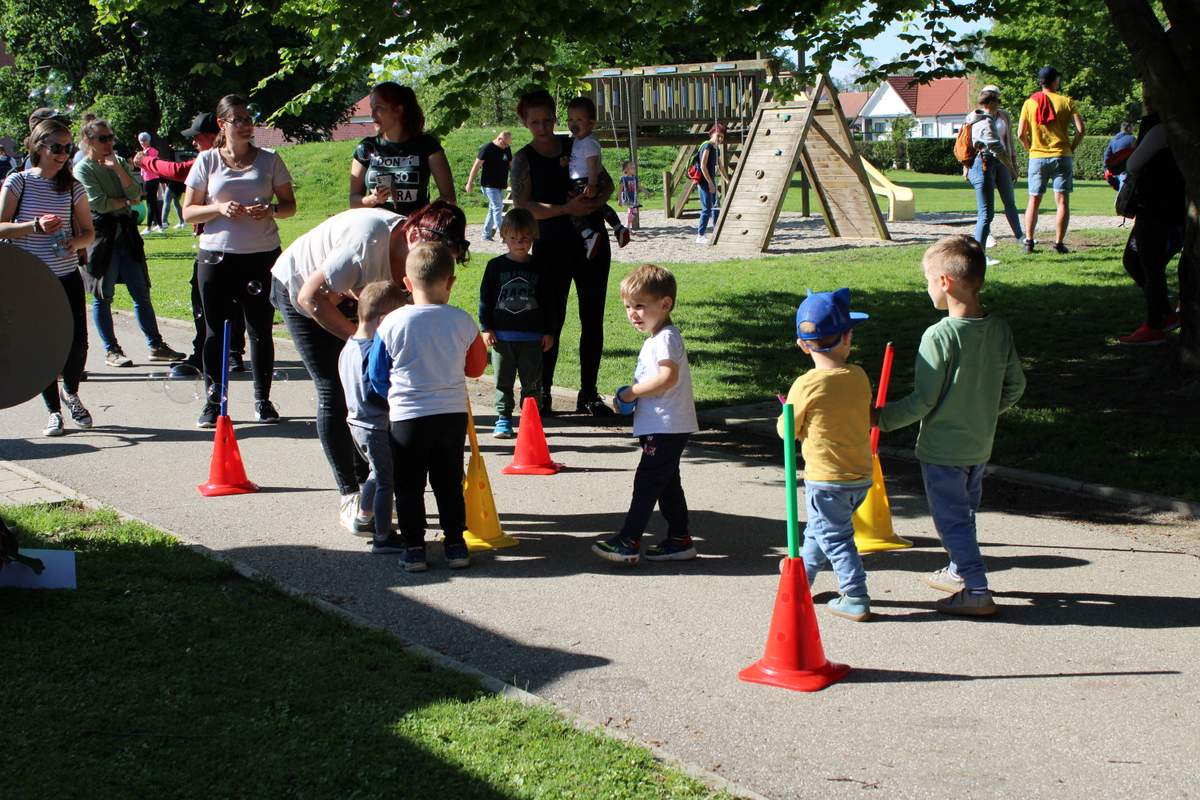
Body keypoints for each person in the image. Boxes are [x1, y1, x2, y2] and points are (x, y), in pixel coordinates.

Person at [271, 201, 470, 532]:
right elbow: (312, 297)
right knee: (336, 388)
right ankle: (350, 492)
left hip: (353, 295)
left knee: (383, 386)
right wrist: (361, 344)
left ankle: (377, 482)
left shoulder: (420, 259)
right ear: (415, 234)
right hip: (303, 290)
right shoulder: (367, 242)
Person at [877, 236, 1026, 617]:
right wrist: (985, 412)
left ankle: (976, 588)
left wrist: (879, 418)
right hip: (979, 444)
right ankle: (959, 568)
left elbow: (923, 400)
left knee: (951, 520)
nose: (927, 286)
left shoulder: (938, 336)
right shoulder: (999, 329)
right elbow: (1016, 386)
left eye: (928, 279)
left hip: (943, 450)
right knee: (964, 512)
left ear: (945, 281)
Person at [367, 242, 488, 572]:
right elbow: (477, 368)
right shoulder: (462, 321)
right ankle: (455, 545)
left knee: (408, 486)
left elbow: (376, 376)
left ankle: (415, 548)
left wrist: (393, 397)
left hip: (407, 417)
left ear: (406, 283)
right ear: (450, 282)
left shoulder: (391, 323)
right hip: (450, 416)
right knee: (448, 482)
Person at [183, 94, 296, 428]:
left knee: (260, 329)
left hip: (261, 255)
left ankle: (263, 400)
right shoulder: (207, 161)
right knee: (214, 330)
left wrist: (271, 209)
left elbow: (290, 205)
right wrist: (218, 208)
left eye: (250, 119)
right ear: (223, 124)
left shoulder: (270, 160)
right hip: (217, 256)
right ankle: (214, 401)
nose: (247, 125)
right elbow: (189, 211)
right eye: (239, 120)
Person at [510, 89, 615, 418]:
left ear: (557, 117)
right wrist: (565, 208)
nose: (543, 127)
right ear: (525, 122)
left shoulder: (577, 143)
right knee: (551, 322)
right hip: (551, 246)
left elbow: (607, 182)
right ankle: (544, 392)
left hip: (590, 244)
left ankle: (589, 392)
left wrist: (592, 201)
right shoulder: (523, 158)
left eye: (548, 120)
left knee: (592, 318)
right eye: (535, 122)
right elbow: (523, 206)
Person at [776, 288, 874, 621]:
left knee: (836, 536)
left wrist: (795, 425)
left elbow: (786, 429)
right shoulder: (859, 376)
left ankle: (855, 594)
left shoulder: (806, 385)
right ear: (848, 337)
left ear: (803, 344)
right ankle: (804, 577)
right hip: (860, 475)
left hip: (827, 478)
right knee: (819, 529)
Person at [593, 265, 699, 565]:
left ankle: (628, 540)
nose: (633, 313)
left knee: (647, 483)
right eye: (628, 306)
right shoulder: (656, 338)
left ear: (665, 304)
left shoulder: (665, 338)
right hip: (663, 425)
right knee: (666, 484)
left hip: (666, 426)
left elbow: (668, 378)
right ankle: (680, 540)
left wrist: (632, 393)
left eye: (640, 306)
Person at [132, 111, 246, 379]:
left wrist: (147, 161)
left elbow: (177, 171)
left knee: (205, 299)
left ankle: (208, 355)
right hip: (228, 242)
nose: (194, 144)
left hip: (219, 244)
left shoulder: (212, 160)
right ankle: (231, 354)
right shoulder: (226, 158)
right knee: (229, 300)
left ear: (210, 136)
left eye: (196, 138)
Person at [0, 118, 95, 437]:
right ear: (38, 147)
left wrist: (74, 242)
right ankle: (54, 412)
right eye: (57, 147)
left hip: (66, 274)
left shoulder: (73, 187)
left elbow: (88, 232)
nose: (64, 154)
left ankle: (71, 392)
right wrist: (34, 226)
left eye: (68, 148)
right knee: (43, 348)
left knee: (77, 342)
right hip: (32, 280)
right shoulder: (19, 183)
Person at [74, 118, 185, 368]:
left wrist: (118, 170)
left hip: (127, 236)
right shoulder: (83, 169)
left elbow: (137, 194)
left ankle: (156, 346)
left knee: (141, 293)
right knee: (103, 297)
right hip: (101, 238)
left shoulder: (119, 162)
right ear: (89, 141)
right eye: (103, 138)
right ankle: (112, 350)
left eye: (111, 137)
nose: (110, 142)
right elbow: (99, 203)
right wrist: (125, 201)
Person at [338, 280, 410, 552]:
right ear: (383, 322)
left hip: (356, 423)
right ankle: (383, 536)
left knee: (375, 473)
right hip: (377, 425)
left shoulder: (348, 347)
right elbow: (377, 390)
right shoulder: (373, 353)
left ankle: (363, 516)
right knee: (385, 481)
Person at [478, 208, 555, 438]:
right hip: (502, 337)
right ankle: (503, 418)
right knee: (503, 380)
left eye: (524, 238)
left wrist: (549, 331)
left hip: (532, 337)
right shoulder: (495, 267)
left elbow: (550, 302)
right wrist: (486, 327)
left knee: (532, 383)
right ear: (503, 237)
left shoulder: (541, 266)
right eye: (513, 238)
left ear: (533, 236)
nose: (520, 243)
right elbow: (485, 299)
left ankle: (531, 421)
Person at [1117, 93, 1186, 346]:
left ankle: (1155, 321)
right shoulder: (1174, 126)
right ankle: (1164, 313)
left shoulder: (1159, 129)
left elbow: (1134, 164)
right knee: (1141, 262)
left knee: (1147, 264)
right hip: (1165, 207)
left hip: (1156, 208)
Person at [349, 82, 456, 217]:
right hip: (376, 231)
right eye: (372, 108)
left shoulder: (427, 146)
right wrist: (373, 199)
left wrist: (418, 219)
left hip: (413, 232)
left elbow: (449, 198)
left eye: (378, 108)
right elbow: (353, 201)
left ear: (398, 110)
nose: (372, 115)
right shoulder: (365, 147)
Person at [1017, 66, 1085, 254]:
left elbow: (1020, 133)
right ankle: (1058, 243)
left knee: (1034, 200)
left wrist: (1029, 147)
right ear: (1055, 81)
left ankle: (1029, 242)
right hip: (1062, 156)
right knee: (1062, 202)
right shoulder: (1066, 101)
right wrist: (1071, 147)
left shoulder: (1029, 103)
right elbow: (1081, 129)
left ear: (1040, 82)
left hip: (1037, 157)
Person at [963, 85, 1024, 265]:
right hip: (983, 165)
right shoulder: (985, 121)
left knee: (990, 211)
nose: (1000, 104)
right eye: (998, 101)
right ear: (990, 103)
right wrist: (1012, 168)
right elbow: (998, 150)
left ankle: (1017, 238)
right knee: (986, 213)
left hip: (986, 164)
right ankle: (979, 256)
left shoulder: (977, 118)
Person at [564, 97, 629, 258]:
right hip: (585, 179)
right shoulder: (578, 140)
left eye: (579, 119)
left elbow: (592, 164)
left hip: (586, 180)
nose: (574, 123)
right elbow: (579, 160)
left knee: (574, 208)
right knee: (600, 205)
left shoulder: (588, 142)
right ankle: (619, 228)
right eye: (570, 119)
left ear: (591, 123)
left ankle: (588, 234)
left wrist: (592, 184)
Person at [463, 130, 512, 241]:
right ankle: (504, 235)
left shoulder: (507, 148)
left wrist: (516, 179)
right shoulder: (487, 148)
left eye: (508, 144)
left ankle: (486, 235)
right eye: (505, 144)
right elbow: (476, 166)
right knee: (497, 207)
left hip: (501, 185)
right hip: (489, 185)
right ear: (499, 139)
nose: (506, 146)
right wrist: (470, 182)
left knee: (492, 209)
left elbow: (511, 165)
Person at [695, 123, 728, 244]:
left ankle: (716, 231)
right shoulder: (707, 146)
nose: (719, 139)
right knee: (707, 208)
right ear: (712, 133)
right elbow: (703, 166)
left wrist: (726, 179)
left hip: (711, 180)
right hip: (704, 181)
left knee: (716, 207)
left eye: (722, 137)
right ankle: (700, 235)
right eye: (718, 136)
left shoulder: (716, 148)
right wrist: (710, 183)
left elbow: (720, 165)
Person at [136, 132, 164, 234]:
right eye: (141, 141)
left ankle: (148, 227)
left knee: (150, 203)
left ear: (149, 140)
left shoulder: (148, 152)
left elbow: (145, 163)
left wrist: (140, 162)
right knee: (153, 203)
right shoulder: (150, 151)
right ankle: (160, 226)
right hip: (152, 179)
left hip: (150, 179)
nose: (143, 142)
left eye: (144, 140)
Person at [1102, 121, 1136, 190]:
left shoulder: (1113, 139)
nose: (1133, 128)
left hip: (1114, 171)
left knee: (1121, 192)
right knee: (1123, 193)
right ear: (1128, 128)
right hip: (1125, 170)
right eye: (1132, 127)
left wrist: (1106, 169)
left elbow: (1106, 155)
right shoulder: (1132, 139)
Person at [619, 159, 651, 230]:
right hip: (627, 197)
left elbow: (639, 187)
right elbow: (620, 190)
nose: (634, 169)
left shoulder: (634, 178)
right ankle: (627, 225)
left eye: (634, 167)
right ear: (626, 169)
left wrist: (646, 192)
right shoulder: (624, 178)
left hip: (633, 198)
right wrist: (619, 200)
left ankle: (628, 225)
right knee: (631, 210)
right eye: (632, 167)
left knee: (634, 212)